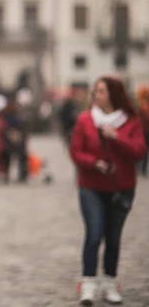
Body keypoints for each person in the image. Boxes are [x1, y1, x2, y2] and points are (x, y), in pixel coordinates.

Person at [70, 76, 146, 305]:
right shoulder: (85, 120)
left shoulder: (130, 121)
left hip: (121, 188)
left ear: (113, 94)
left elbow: (139, 151)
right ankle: (89, 284)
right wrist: (95, 163)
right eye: (95, 91)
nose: (95, 94)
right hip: (91, 186)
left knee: (113, 238)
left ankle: (110, 283)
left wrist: (116, 137)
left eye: (100, 91)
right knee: (94, 234)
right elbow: (76, 152)